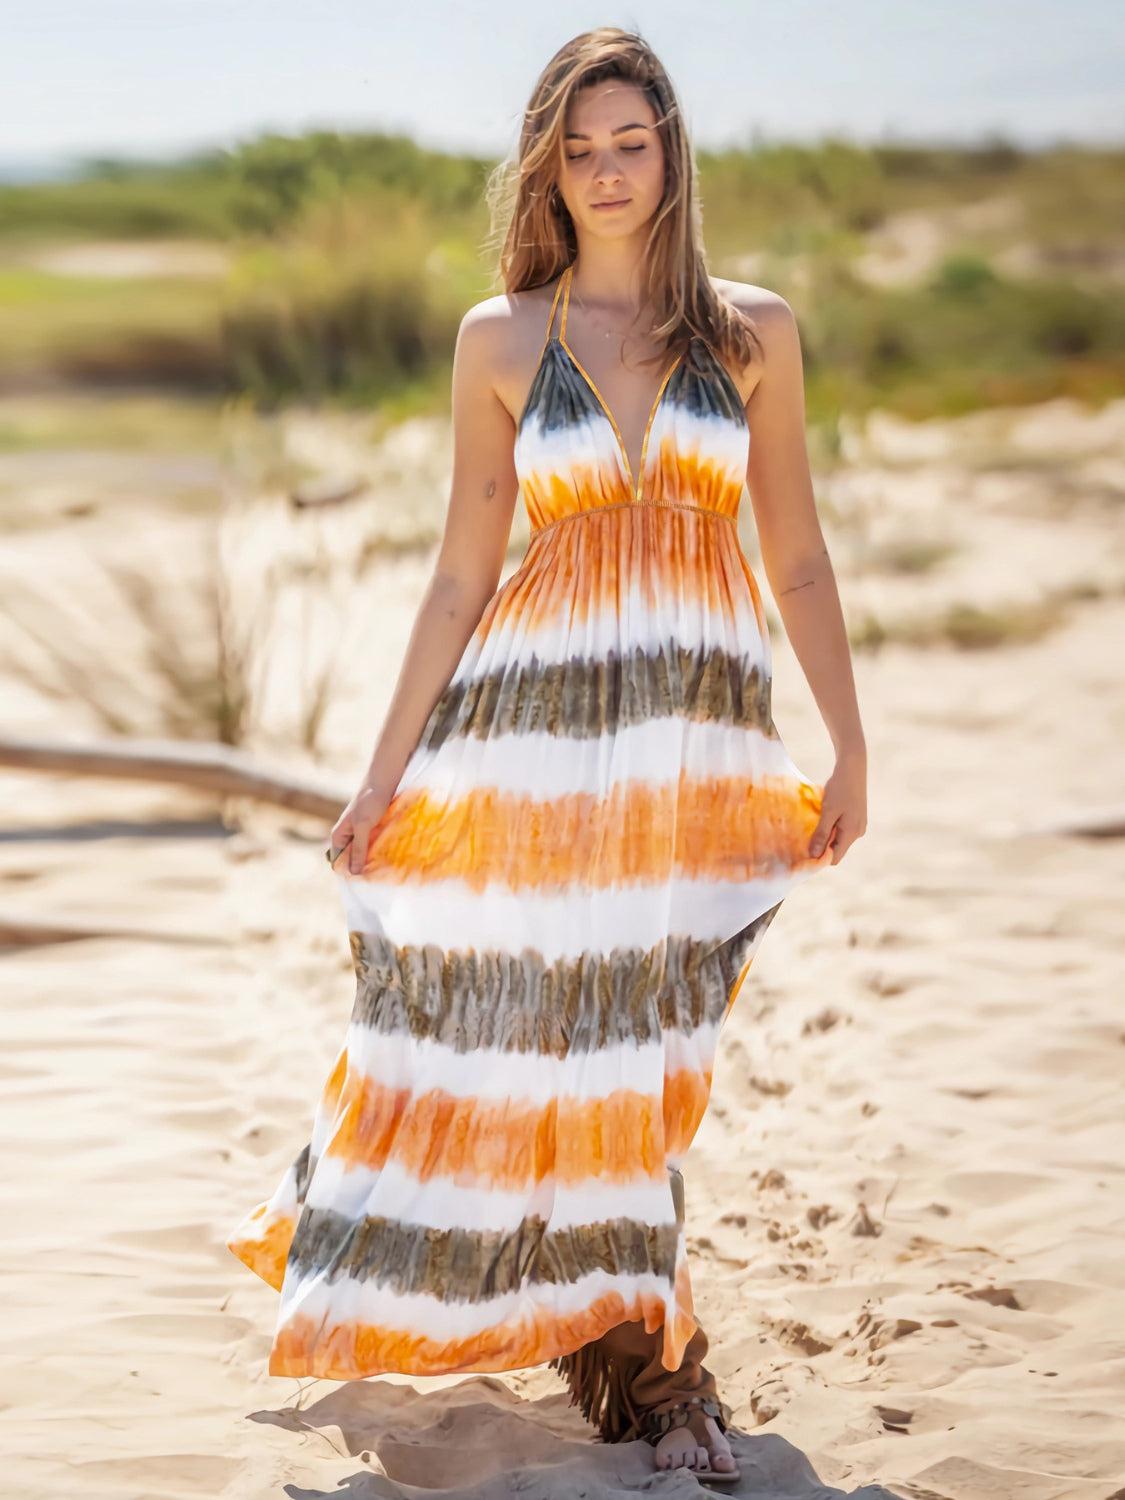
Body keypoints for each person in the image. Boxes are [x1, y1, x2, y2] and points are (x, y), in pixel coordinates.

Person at [226, 26, 867, 1484]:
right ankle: (643, 1359)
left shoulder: (751, 332)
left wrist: (850, 749)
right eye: (578, 151)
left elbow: (800, 558)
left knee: (643, 1038)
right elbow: (461, 574)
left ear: (671, 152)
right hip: (528, 741)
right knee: (521, 1016)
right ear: (547, 167)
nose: (605, 172)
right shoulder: (501, 339)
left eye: (629, 143)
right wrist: (381, 772)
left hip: (693, 746)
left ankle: (608, 1325)